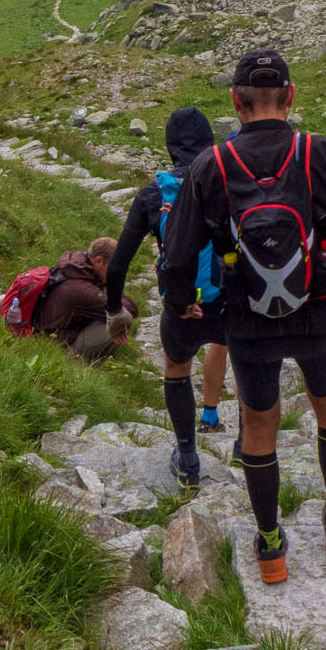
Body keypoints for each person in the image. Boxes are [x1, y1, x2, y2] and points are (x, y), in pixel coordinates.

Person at [162, 49, 326, 585]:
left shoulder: (210, 166)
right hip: (319, 309)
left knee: (259, 423)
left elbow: (176, 252)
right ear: (291, 96)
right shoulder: (321, 155)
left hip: (247, 317)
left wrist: (180, 300)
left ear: (235, 103)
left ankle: (269, 547)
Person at [104, 107, 230, 490]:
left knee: (177, 367)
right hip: (228, 300)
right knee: (243, 359)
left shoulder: (154, 194)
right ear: (211, 141)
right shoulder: (230, 183)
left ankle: (188, 456)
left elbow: (118, 265)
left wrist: (114, 311)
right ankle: (247, 446)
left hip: (182, 305)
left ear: (169, 147)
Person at [36, 237, 136, 362]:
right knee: (120, 321)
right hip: (56, 345)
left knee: (116, 319)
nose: (116, 271)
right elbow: (130, 309)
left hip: (56, 332)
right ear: (99, 261)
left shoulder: (77, 268)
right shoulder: (81, 289)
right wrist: (111, 286)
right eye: (114, 266)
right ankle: (78, 365)